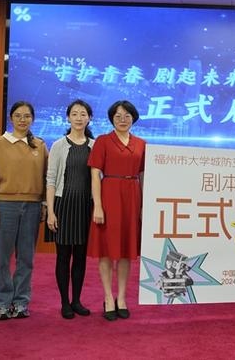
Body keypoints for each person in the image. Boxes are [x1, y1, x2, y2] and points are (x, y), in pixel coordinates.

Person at [0, 101, 48, 320]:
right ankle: (2, 303)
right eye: (18, 115)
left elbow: (46, 178)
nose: (23, 119)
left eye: (27, 116)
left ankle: (21, 302)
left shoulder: (39, 145)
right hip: (5, 206)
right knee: (1, 258)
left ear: (33, 119)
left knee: (26, 258)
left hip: (32, 207)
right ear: (11, 118)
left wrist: (44, 205)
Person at [88, 100, 146, 321]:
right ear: (112, 118)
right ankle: (108, 297)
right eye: (118, 116)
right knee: (106, 250)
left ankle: (121, 298)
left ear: (133, 118)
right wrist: (98, 205)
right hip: (109, 197)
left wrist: (143, 206)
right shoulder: (103, 141)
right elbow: (95, 175)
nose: (122, 120)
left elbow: (143, 176)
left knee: (125, 251)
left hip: (132, 197)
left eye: (127, 116)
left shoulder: (141, 144)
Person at [45, 100, 95, 319]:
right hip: (63, 205)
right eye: (74, 114)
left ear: (89, 118)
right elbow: (50, 180)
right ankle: (65, 303)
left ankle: (77, 301)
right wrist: (50, 211)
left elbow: (98, 180)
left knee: (81, 257)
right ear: (68, 118)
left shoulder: (95, 145)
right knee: (63, 256)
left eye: (83, 114)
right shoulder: (58, 145)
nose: (78, 118)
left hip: (85, 206)